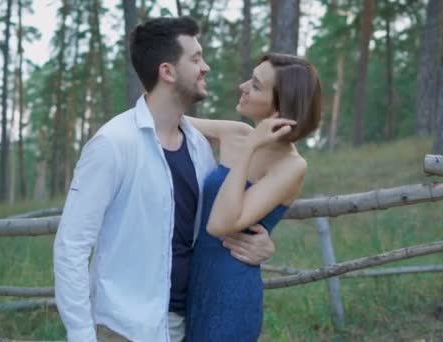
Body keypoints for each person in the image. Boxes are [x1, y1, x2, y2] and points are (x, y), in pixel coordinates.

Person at [53, 16, 275, 342]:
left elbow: (210, 230)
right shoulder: (113, 144)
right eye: (196, 58)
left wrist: (263, 244)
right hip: (126, 329)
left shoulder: (198, 146)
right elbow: (71, 247)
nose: (206, 67)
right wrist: (81, 335)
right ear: (167, 71)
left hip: (188, 325)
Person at [185, 53, 322, 341]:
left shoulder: (291, 166)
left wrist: (250, 148)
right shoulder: (235, 132)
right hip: (192, 284)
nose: (242, 86)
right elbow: (168, 119)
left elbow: (220, 224)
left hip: (231, 295)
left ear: (280, 107)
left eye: (256, 85)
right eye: (251, 77)